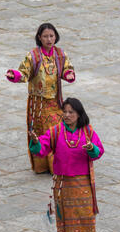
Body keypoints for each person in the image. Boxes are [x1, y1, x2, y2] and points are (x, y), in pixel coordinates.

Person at [29, 97, 104, 232]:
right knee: (67, 223)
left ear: (79, 114)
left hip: (82, 185)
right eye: (65, 111)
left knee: (85, 220)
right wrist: (35, 141)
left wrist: (92, 148)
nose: (67, 115)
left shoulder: (88, 132)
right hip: (63, 186)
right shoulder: (55, 132)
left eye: (71, 112)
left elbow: (99, 152)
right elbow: (42, 149)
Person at [6, 23, 76, 174]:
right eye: (45, 36)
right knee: (41, 133)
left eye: (51, 36)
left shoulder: (60, 54)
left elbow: (67, 68)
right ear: (39, 38)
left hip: (55, 102)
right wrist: (15, 75)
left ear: (56, 36)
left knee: (57, 131)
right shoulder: (33, 56)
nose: (49, 39)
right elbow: (23, 73)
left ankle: (57, 165)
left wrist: (68, 74)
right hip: (38, 104)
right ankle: (44, 166)